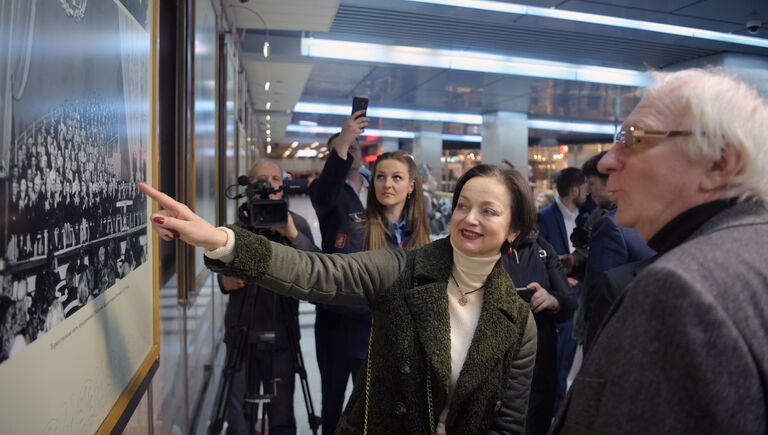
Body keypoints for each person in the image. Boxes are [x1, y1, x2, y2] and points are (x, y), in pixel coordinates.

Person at [140, 164, 537, 435]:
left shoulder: (518, 321)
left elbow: (507, 424)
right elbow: (316, 272)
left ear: (514, 229)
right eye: (463, 206)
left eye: (488, 211)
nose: (469, 219)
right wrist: (220, 240)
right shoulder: (403, 271)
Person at [548, 68, 768, 434]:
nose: (606, 162)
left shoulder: (680, 289)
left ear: (718, 163)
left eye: (633, 139)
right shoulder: (749, 252)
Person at [219, 159, 319, 435]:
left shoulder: (295, 224)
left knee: (281, 412)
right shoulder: (237, 225)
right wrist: (224, 279)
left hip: (282, 334)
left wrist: (291, 233)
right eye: (260, 179)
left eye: (274, 179)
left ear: (283, 185)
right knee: (238, 413)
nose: (267, 185)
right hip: (241, 333)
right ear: (247, 186)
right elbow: (220, 268)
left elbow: (317, 270)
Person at [308, 112, 373, 435]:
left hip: (372, 312)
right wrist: (343, 141)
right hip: (335, 310)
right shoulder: (325, 190)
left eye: (355, 148)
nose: (352, 154)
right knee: (332, 397)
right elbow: (326, 193)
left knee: (371, 398)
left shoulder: (377, 187)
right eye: (345, 149)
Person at [501, 171, 576, 435]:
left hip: (538, 361)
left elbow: (568, 303)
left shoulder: (542, 249)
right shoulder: (479, 248)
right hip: (492, 365)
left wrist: (551, 299)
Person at [535, 167, 587, 407]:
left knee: (572, 351)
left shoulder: (588, 216)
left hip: (580, 292)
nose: (587, 192)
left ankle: (562, 400)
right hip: (556, 293)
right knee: (557, 351)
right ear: (574, 189)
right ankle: (555, 403)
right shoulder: (545, 217)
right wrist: (560, 279)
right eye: (584, 187)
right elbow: (540, 255)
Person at [364, 150, 430, 251]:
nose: (387, 184)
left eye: (397, 177)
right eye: (380, 177)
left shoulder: (418, 228)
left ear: (411, 186)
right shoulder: (360, 229)